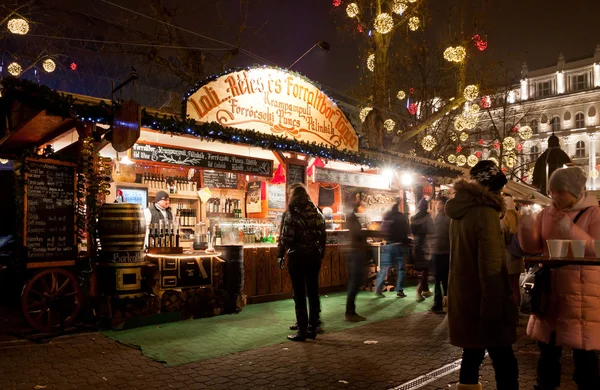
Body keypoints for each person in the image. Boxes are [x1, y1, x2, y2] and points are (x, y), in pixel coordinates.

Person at [519, 167, 600, 389]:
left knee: (584, 353)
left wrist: (568, 227)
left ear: (571, 191)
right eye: (551, 191)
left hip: (582, 293)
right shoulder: (547, 212)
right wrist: (525, 226)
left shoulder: (594, 213)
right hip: (550, 291)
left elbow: (596, 250)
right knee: (547, 352)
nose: (553, 196)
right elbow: (533, 247)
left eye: (558, 191)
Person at [446, 160, 519, 390]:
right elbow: (490, 267)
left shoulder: (460, 212)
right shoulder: (485, 214)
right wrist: (494, 306)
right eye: (499, 189)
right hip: (485, 300)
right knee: (505, 363)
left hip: (465, 296)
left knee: (472, 354)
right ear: (492, 189)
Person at [277, 183, 326, 342]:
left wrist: (282, 253)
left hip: (297, 257)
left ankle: (302, 330)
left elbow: (287, 238)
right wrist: (320, 253)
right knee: (313, 291)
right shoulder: (317, 211)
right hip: (313, 256)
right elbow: (323, 235)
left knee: (299, 294)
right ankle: (313, 328)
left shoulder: (292, 212)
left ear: (293, 196)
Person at [374, 199, 410, 298]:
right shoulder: (401, 217)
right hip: (399, 245)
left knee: (384, 268)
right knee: (401, 269)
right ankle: (399, 291)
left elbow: (382, 231)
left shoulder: (387, 216)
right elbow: (407, 231)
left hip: (388, 245)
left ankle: (378, 289)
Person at [345, 201, 370, 321]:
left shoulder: (352, 218)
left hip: (355, 252)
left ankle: (350, 311)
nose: (364, 209)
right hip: (355, 252)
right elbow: (357, 234)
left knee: (355, 282)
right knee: (355, 282)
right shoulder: (353, 218)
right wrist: (368, 232)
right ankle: (350, 312)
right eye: (362, 207)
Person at [500, 196, 525, 308]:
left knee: (509, 286)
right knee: (516, 285)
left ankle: (511, 309)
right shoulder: (520, 218)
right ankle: (516, 307)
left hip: (507, 257)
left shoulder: (503, 220)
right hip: (518, 257)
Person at [430, 196, 450, 313]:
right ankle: (438, 304)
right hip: (437, 252)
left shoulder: (448, 219)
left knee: (445, 280)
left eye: (439, 203)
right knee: (438, 280)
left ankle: (445, 303)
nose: (437, 205)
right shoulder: (437, 217)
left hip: (445, 253)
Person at [412, 198, 434, 301]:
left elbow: (412, 231)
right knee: (425, 268)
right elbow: (432, 230)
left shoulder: (415, 217)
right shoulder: (427, 216)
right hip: (425, 244)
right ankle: (419, 291)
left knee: (423, 268)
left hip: (416, 243)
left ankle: (426, 289)